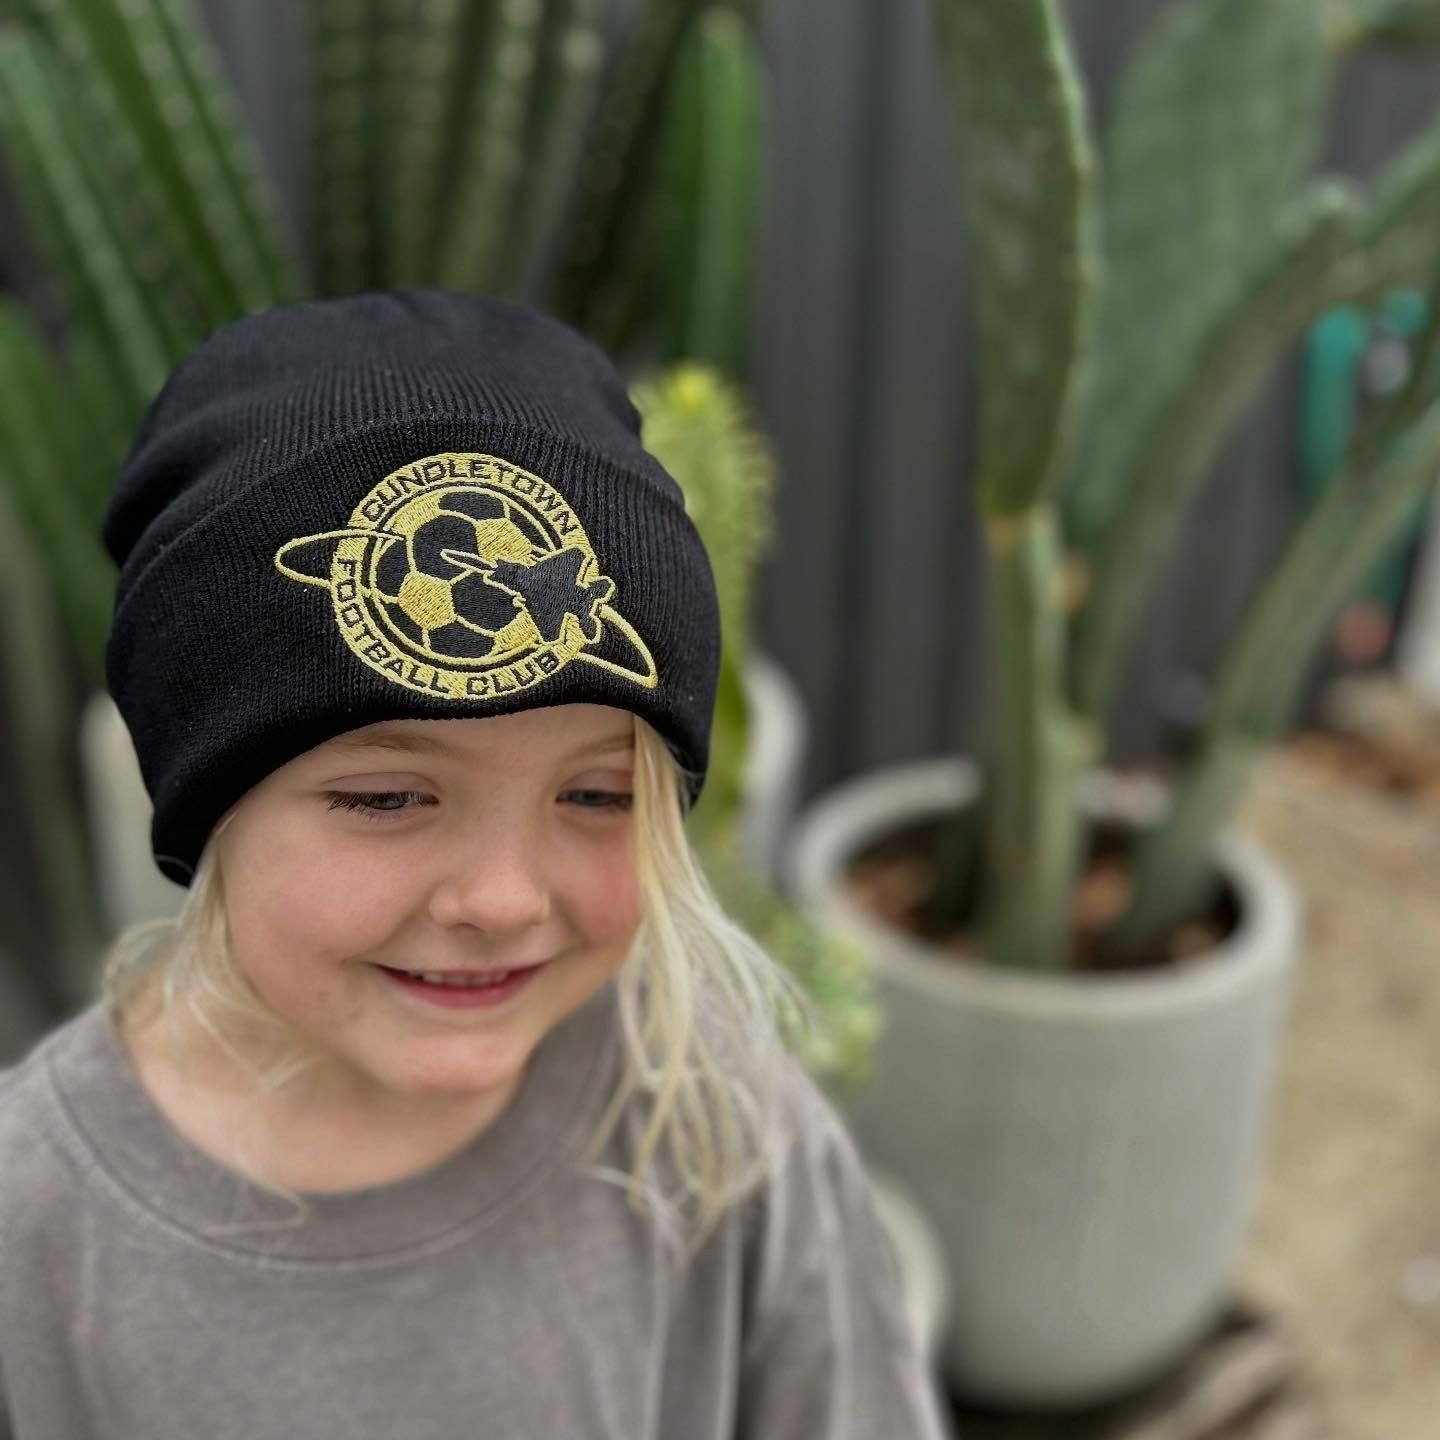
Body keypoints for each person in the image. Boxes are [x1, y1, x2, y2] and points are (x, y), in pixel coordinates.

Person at [0, 292, 950, 1439]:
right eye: (390, 797)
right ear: (210, 805)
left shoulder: (709, 1124)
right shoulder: (35, 1229)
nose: (503, 898)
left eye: (596, 795)